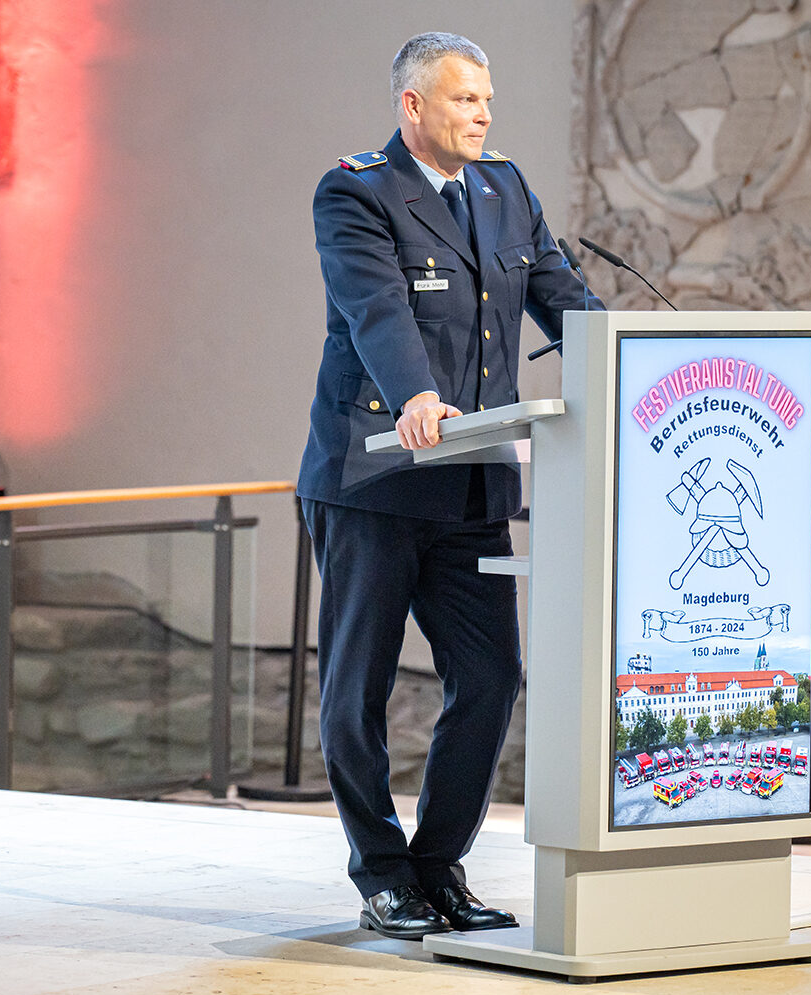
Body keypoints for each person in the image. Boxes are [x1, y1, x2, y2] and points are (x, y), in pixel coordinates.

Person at [297, 32, 598, 940]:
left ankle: (438, 867)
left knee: (492, 678)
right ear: (413, 106)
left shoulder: (506, 189)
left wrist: (640, 373)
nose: (483, 115)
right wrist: (415, 390)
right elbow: (377, 305)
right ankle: (383, 873)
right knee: (359, 689)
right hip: (377, 478)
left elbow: (565, 297)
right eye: (465, 100)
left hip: (470, 484)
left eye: (488, 100)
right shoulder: (355, 190)